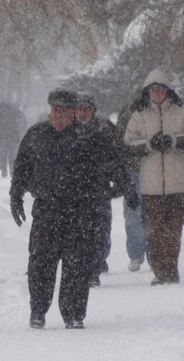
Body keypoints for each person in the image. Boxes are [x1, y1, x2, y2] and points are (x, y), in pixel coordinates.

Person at [10, 90, 138, 330]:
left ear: (73, 113)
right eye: (55, 110)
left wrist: (126, 187)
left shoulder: (90, 137)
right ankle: (38, 310)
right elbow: (22, 168)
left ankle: (74, 314)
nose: (58, 115)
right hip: (47, 210)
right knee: (40, 264)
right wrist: (15, 196)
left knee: (77, 266)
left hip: (81, 211)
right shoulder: (36, 135)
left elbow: (112, 163)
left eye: (64, 111)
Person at [124, 69, 184, 285]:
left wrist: (174, 141)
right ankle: (160, 271)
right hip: (151, 185)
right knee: (156, 230)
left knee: (174, 229)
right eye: (153, 91)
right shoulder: (139, 116)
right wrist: (149, 145)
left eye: (161, 90)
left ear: (168, 92)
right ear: (147, 93)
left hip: (177, 182)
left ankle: (171, 268)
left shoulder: (180, 112)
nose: (157, 94)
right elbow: (128, 142)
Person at [75, 93, 123, 286]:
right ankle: (88, 267)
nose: (83, 113)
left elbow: (117, 155)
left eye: (86, 109)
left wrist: (118, 181)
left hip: (99, 187)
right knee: (81, 230)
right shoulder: (70, 129)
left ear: (93, 111)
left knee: (101, 227)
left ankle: (98, 259)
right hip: (76, 189)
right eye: (79, 109)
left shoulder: (104, 128)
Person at [116, 97, 148, 272]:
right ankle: (141, 254)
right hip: (137, 170)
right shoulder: (130, 114)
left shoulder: (127, 113)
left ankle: (142, 255)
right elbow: (121, 143)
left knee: (138, 215)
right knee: (139, 214)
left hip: (147, 170)